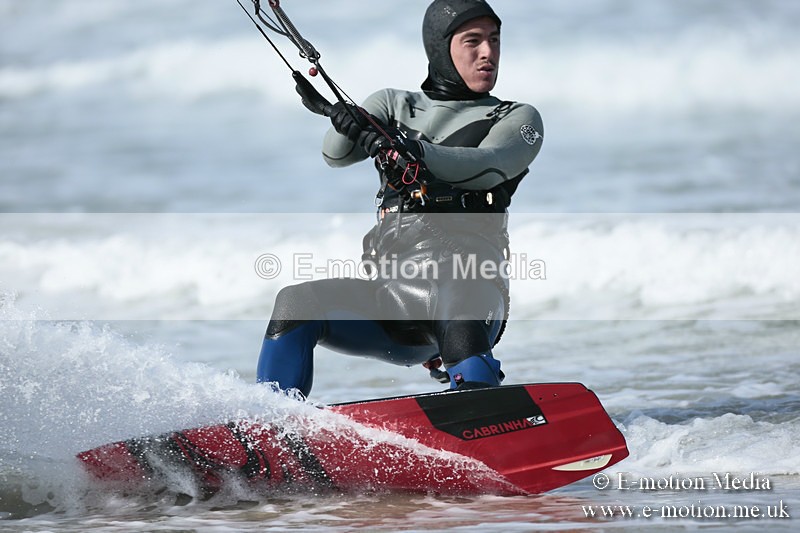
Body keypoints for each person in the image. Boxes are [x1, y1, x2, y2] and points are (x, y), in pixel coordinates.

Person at [257, 0, 543, 397]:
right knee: (295, 302)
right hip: (395, 298)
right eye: (473, 41)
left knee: (459, 298)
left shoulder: (516, 117)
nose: (487, 53)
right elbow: (335, 154)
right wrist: (348, 120)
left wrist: (412, 149)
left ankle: (481, 405)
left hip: (471, 288)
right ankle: (270, 421)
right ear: (440, 47)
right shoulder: (393, 105)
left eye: (494, 40)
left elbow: (489, 165)